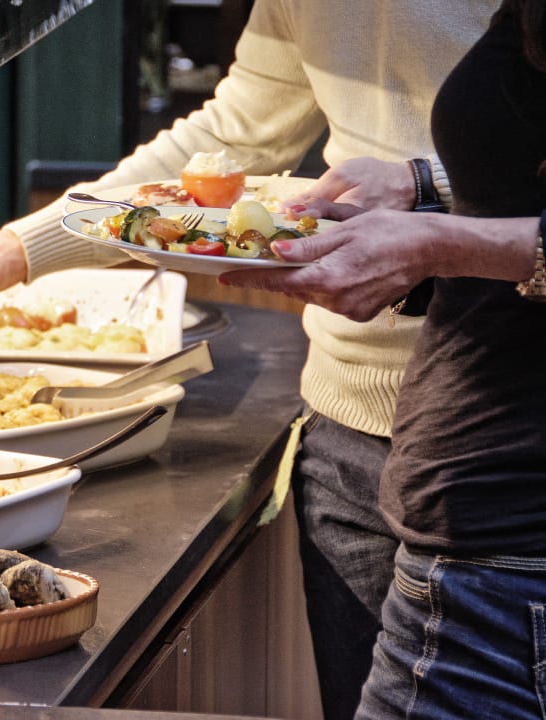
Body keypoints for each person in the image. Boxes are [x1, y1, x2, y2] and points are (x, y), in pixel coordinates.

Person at [0, 3, 496, 718]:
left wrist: (426, 188)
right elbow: (234, 136)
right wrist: (18, 246)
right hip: (344, 420)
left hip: (501, 426)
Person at [220, 2, 546, 715]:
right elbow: (518, 155)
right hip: (441, 488)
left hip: (509, 524)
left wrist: (434, 240)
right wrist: (426, 185)